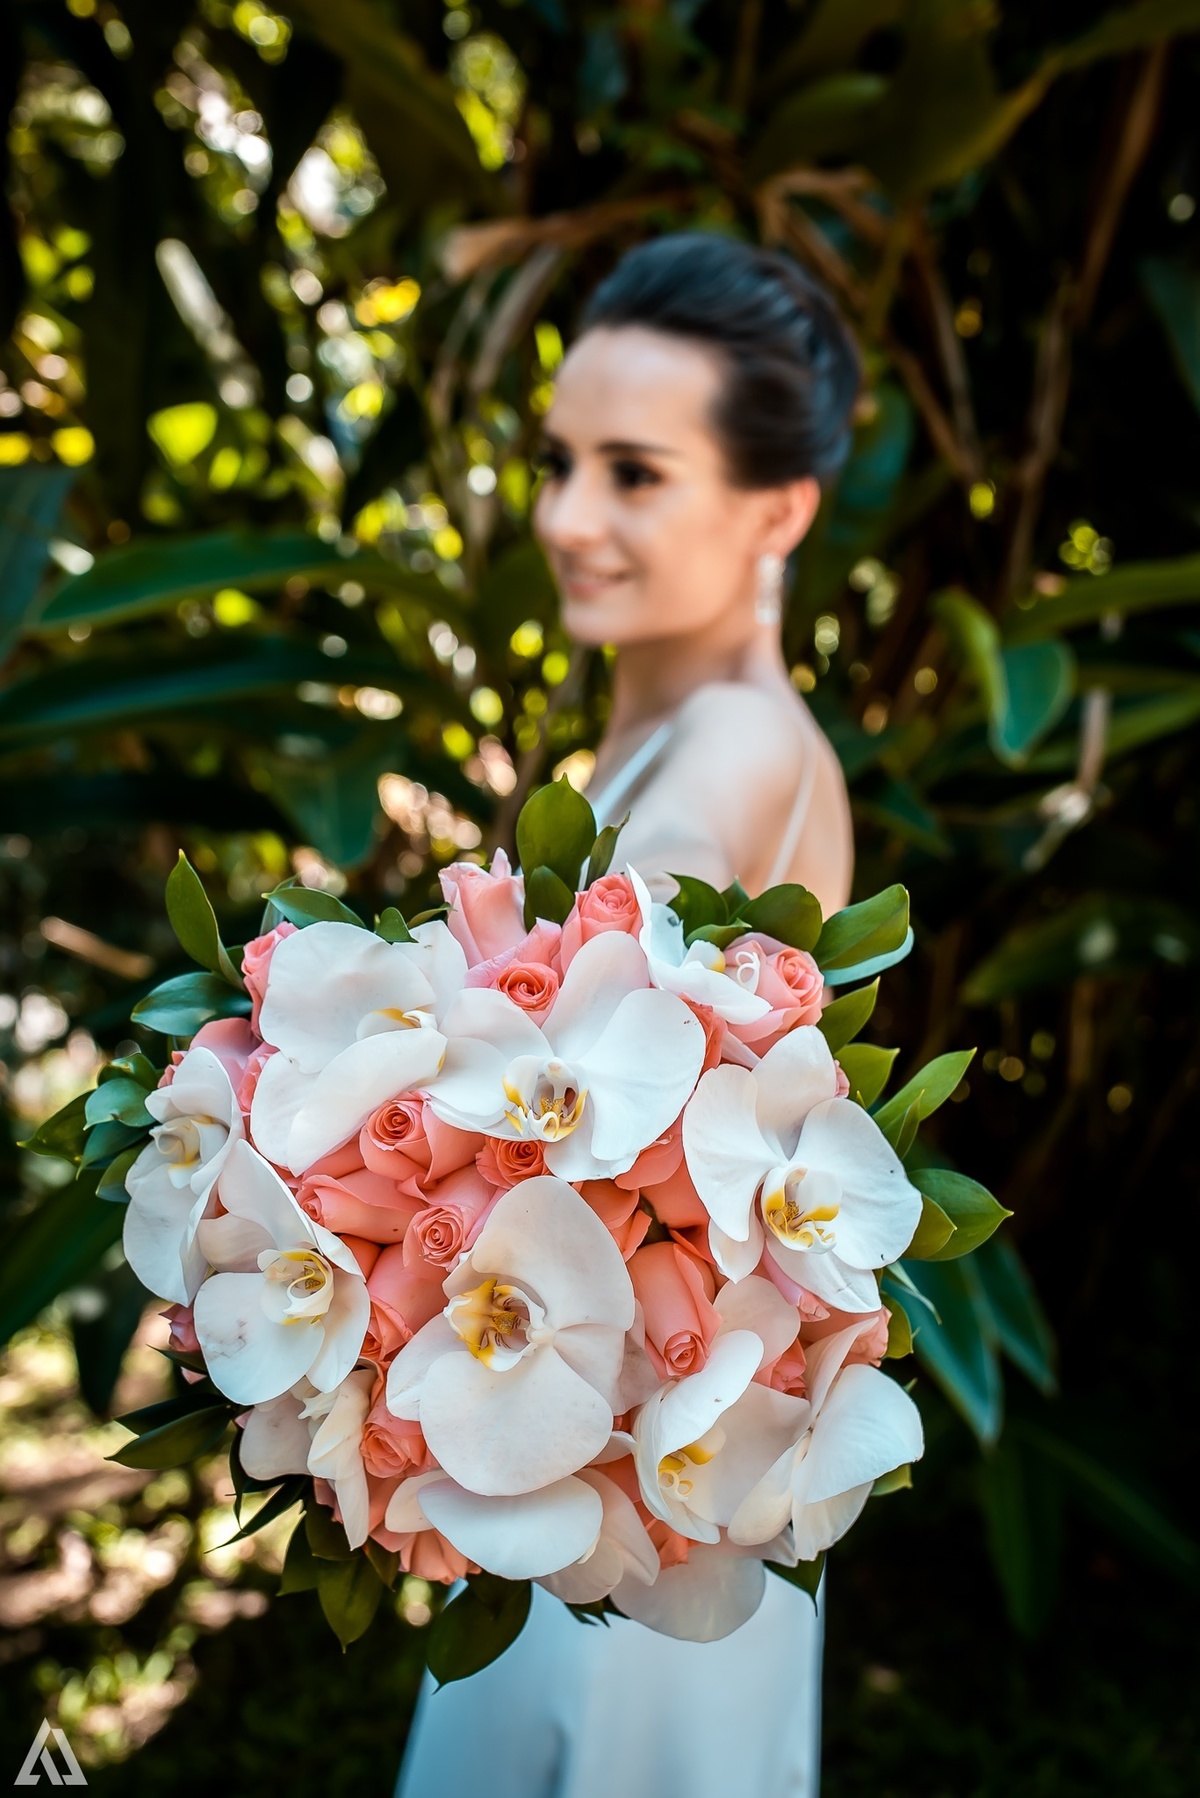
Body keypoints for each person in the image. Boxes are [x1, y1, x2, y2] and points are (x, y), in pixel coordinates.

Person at [397, 232, 860, 1798]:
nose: (568, 517)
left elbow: (610, 1070)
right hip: (621, 1440)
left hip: (633, 1460)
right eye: (560, 462)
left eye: (635, 474)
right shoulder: (679, 735)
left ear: (777, 510)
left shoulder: (731, 740)